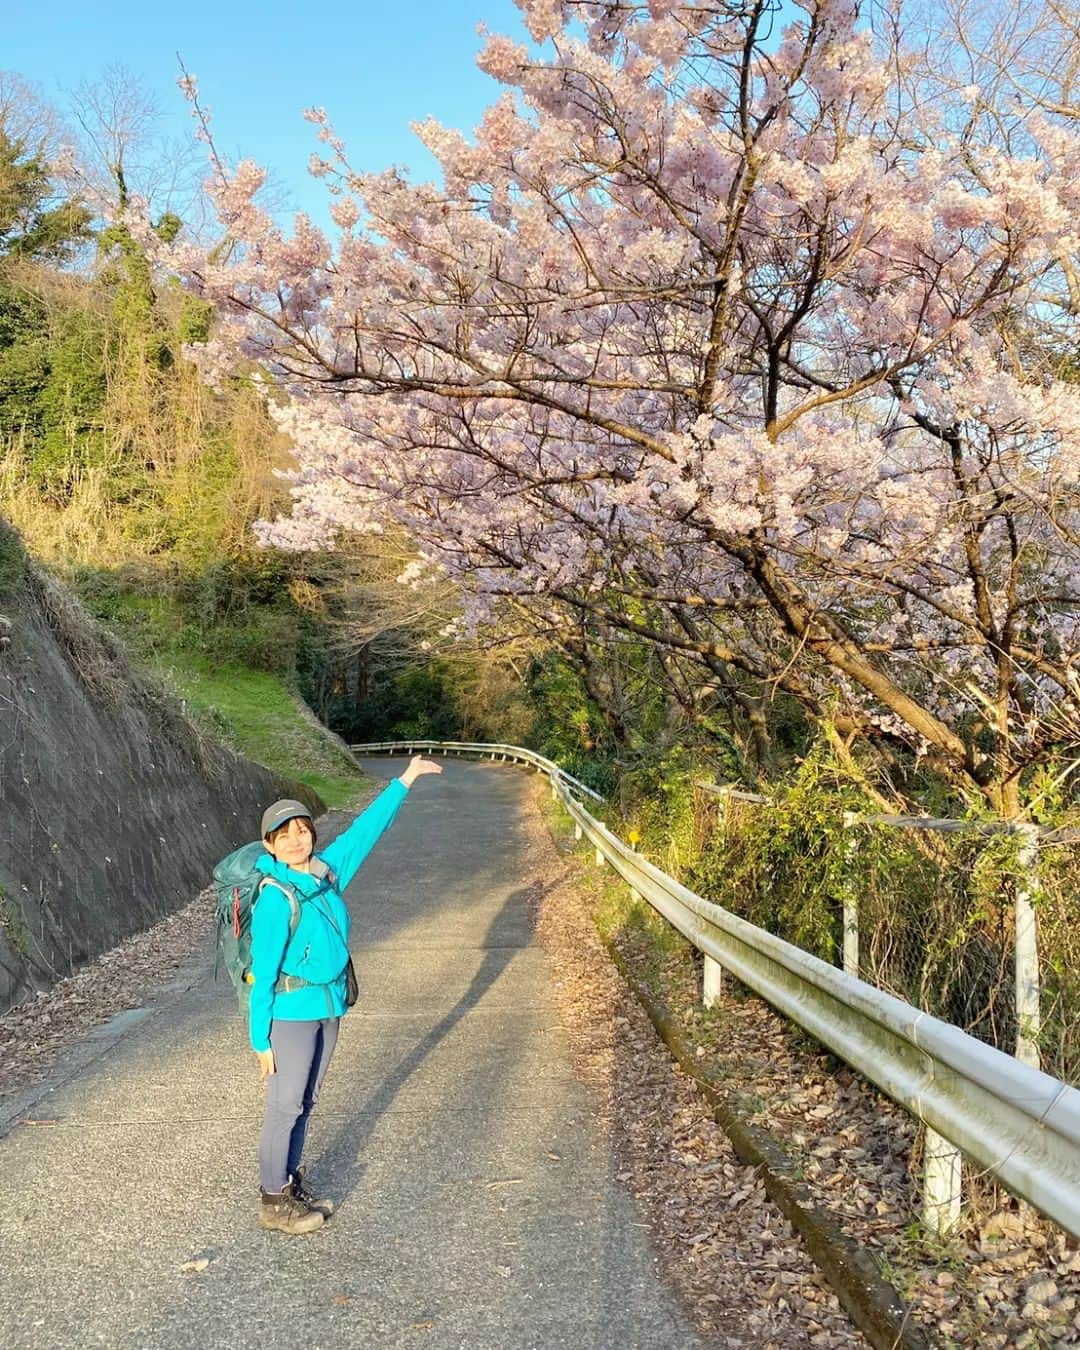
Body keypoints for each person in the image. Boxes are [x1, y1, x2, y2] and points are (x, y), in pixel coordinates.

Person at [250, 753, 442, 1234]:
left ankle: (290, 1181)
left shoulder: (327, 873)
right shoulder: (276, 897)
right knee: (285, 1103)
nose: (297, 840)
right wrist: (260, 1040)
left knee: (307, 1100)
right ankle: (273, 1200)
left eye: (303, 830)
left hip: (330, 1006)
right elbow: (262, 970)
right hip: (290, 1014)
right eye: (285, 835)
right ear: (270, 845)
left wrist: (405, 781)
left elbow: (365, 832)